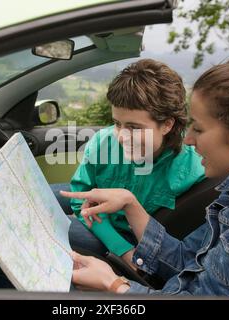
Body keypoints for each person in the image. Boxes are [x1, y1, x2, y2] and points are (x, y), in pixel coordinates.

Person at [61, 36, 229, 298]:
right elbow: (187, 263)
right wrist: (131, 204)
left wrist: (117, 287)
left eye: (198, 128)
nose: (187, 139)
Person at [64, 59, 205, 269]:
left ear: (167, 124)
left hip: (141, 240)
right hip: (105, 226)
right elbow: (80, 200)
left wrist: (133, 252)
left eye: (134, 127)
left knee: (54, 230)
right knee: (40, 198)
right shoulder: (103, 142)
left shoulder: (196, 169)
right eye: (117, 124)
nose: (121, 137)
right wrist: (123, 250)